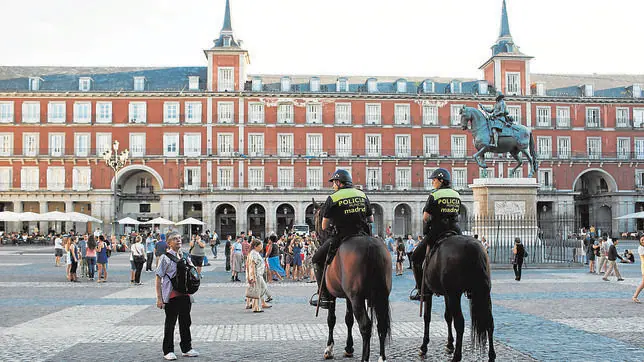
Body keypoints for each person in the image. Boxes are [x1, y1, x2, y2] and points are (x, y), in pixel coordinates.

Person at [310, 169, 373, 309]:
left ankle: (325, 297)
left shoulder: (333, 197)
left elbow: (324, 225)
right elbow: (371, 219)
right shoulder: (362, 194)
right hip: (363, 234)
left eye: (333, 182)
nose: (333, 186)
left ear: (339, 182)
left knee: (316, 260)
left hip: (342, 236)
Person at [410, 168, 461, 300]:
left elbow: (426, 218)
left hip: (438, 230)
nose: (432, 182)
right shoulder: (456, 194)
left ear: (441, 181)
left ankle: (421, 290)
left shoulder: (434, 195)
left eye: (434, 180)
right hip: (455, 229)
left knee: (415, 257)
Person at [155, 231, 199, 360]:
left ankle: (187, 348)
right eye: (175, 239)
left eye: (179, 238)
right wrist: (159, 298)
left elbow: (192, 271)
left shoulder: (185, 256)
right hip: (171, 295)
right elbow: (158, 278)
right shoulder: (165, 258)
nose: (178, 240)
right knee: (170, 323)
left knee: (186, 322)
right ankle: (168, 350)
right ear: (169, 243)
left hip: (185, 294)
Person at [246, 240, 272, 312]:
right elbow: (252, 265)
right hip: (256, 275)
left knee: (262, 288)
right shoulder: (254, 253)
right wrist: (253, 276)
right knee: (258, 290)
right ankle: (256, 307)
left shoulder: (255, 253)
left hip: (258, 274)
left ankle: (257, 305)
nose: (262, 247)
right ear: (255, 246)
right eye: (260, 245)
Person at [632, 236, 644, 303]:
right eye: (642, 240)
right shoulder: (641, 248)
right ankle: (635, 296)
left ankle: (635, 296)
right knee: (643, 283)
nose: (643, 241)